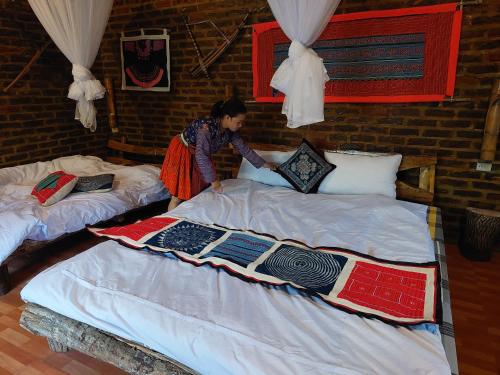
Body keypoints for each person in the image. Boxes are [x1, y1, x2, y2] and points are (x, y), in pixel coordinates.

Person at [160, 96, 276, 211]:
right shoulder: (205, 127)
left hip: (199, 154)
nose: (241, 125)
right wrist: (214, 181)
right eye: (239, 122)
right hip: (183, 151)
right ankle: (168, 220)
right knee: (178, 195)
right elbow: (202, 155)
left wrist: (264, 164)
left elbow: (244, 149)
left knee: (198, 191)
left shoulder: (230, 132)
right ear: (227, 117)